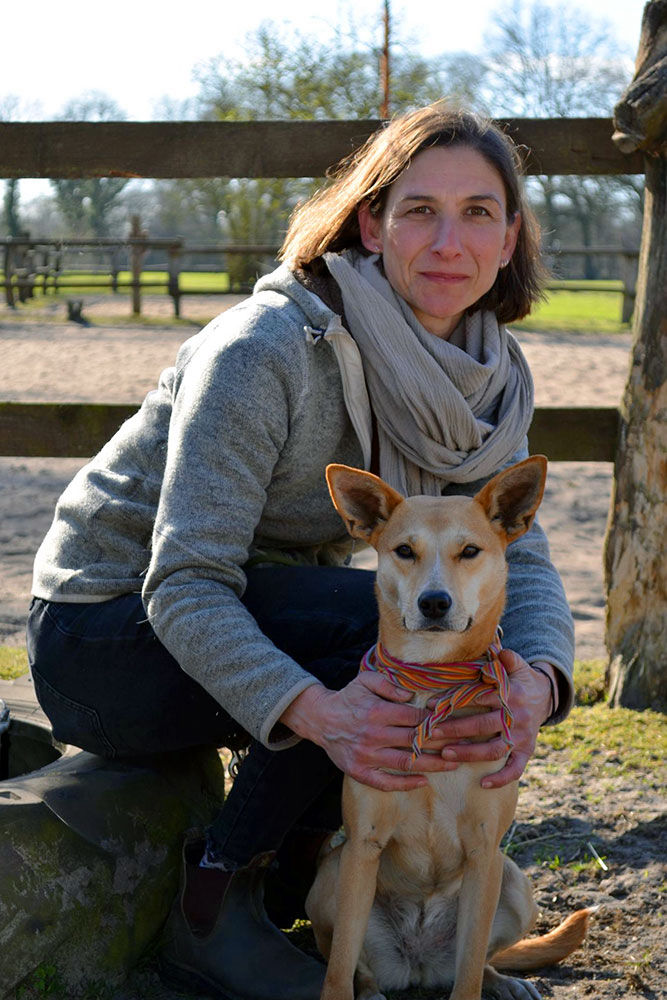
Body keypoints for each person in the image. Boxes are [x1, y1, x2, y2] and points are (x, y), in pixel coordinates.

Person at [27, 102, 575, 1000]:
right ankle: (214, 897)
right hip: (106, 637)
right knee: (371, 633)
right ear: (371, 222)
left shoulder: (481, 383)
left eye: (478, 211)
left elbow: (527, 562)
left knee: (412, 630)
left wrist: (536, 684)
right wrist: (318, 713)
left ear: (510, 235)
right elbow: (186, 581)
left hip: (252, 611)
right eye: (418, 210)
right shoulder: (266, 351)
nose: (449, 240)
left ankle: (304, 888)